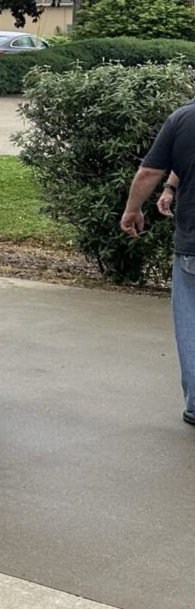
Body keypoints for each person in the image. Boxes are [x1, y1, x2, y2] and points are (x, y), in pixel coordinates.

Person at [120, 99, 194, 427]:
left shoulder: (183, 119)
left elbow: (150, 169)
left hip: (193, 247)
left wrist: (133, 209)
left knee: (190, 324)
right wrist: (170, 188)